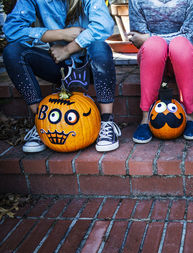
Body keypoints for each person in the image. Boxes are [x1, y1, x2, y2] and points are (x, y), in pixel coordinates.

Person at [3, 0, 121, 153]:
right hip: (57, 64)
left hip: (89, 63)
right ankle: (41, 122)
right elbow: (12, 30)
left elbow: (103, 25)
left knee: (100, 47)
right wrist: (59, 34)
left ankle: (107, 121)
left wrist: (68, 48)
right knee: (12, 52)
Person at [129, 0, 193, 143]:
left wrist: (150, 36)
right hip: (152, 57)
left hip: (182, 57)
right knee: (154, 46)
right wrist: (152, 39)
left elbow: (189, 35)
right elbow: (139, 39)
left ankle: (189, 117)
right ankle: (145, 118)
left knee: (180, 45)